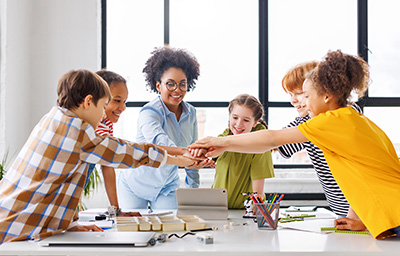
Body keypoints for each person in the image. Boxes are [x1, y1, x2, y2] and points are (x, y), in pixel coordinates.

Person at [189, 50, 400, 240]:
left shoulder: (330, 122)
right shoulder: (353, 119)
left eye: (306, 96)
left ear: (326, 96)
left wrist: (221, 142)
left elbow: (271, 139)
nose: (302, 102)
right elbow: (365, 176)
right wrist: (360, 218)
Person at [0, 69, 196, 244]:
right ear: (87, 102)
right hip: (14, 228)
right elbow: (124, 153)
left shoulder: (54, 118)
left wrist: (66, 224)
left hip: (11, 217)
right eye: (103, 106)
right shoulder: (78, 131)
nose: (104, 115)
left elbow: (56, 184)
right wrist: (176, 160)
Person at [118, 47, 214, 210]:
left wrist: (193, 190)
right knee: (134, 233)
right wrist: (187, 154)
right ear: (158, 85)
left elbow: (193, 146)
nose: (177, 90)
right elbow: (159, 142)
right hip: (135, 185)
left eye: (182, 85)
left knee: (169, 230)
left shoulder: (191, 113)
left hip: (166, 186)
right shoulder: (149, 112)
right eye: (170, 84)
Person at [278, 61, 351, 217]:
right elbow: (273, 142)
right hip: (343, 214)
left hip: (365, 212)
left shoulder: (344, 115)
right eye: (290, 95)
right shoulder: (305, 121)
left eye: (298, 93)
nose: (293, 100)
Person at [192, 94, 274, 209]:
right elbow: (207, 152)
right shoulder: (225, 136)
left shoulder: (261, 144)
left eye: (246, 120)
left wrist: (257, 204)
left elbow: (258, 181)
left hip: (244, 210)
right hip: (218, 207)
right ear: (229, 117)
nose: (239, 124)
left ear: (255, 123)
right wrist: (200, 152)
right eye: (235, 118)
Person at [84, 69, 139, 217]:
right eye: (117, 100)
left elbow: (107, 165)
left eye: (124, 102)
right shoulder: (88, 126)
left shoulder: (106, 123)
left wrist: (115, 210)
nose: (123, 107)